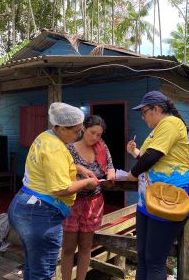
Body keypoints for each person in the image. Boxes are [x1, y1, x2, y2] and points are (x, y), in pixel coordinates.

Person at [8, 102, 98, 280]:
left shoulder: (46, 136)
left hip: (24, 204)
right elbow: (61, 188)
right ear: (62, 128)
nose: (78, 134)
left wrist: (79, 169)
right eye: (76, 131)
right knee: (42, 273)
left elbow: (49, 164)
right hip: (41, 215)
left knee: (32, 266)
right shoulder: (56, 147)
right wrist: (87, 182)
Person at [126, 91, 189, 280]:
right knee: (144, 257)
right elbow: (152, 158)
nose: (142, 116)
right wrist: (136, 153)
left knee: (154, 260)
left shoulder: (171, 123)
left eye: (144, 112)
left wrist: (131, 173)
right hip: (148, 200)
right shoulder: (159, 128)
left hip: (168, 199)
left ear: (156, 109)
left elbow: (153, 156)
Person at [61, 115, 115, 280]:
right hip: (72, 203)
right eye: (92, 132)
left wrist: (110, 177)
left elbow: (110, 167)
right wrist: (83, 181)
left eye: (99, 135)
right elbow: (62, 173)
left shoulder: (101, 147)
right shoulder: (69, 148)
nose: (95, 138)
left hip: (93, 203)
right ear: (83, 128)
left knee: (85, 247)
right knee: (69, 248)